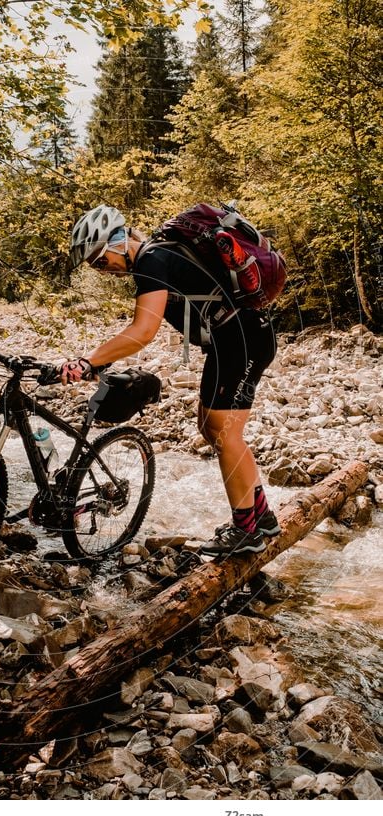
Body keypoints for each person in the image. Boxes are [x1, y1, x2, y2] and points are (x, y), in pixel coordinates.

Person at [60, 204, 280, 557]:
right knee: (213, 429)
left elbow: (142, 332)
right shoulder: (159, 255)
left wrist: (88, 361)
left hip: (241, 341)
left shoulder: (152, 260)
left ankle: (246, 531)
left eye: (100, 261)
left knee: (224, 434)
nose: (103, 271)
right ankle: (262, 517)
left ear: (118, 242)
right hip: (241, 339)